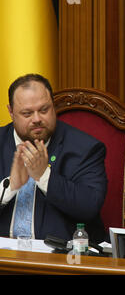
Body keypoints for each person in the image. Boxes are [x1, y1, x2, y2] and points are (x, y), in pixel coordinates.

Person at [0, 74, 107, 243]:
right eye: (27, 113)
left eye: (44, 110)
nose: (37, 119)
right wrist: (10, 187)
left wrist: (44, 176)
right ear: (11, 112)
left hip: (59, 258)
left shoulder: (85, 149)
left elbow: (89, 206)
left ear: (53, 106)